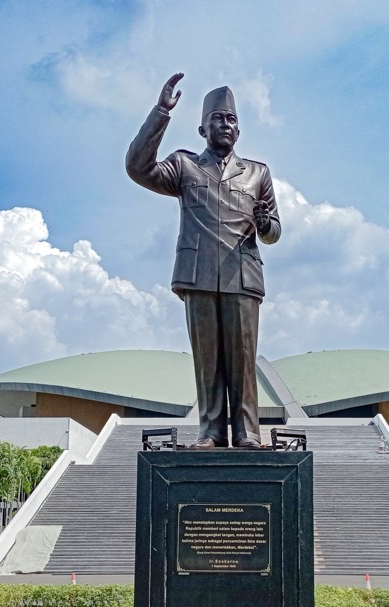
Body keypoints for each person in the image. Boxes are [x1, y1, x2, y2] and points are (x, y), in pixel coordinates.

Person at [127, 73, 281, 449]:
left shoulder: (258, 173)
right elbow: (138, 167)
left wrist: (264, 223)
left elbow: (274, 231)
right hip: (197, 274)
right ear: (202, 128)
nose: (225, 125)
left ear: (238, 130)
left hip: (242, 274)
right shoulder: (184, 166)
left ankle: (247, 431)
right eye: (217, 119)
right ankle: (211, 430)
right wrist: (161, 113)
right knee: (207, 359)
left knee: (243, 359)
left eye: (231, 120)